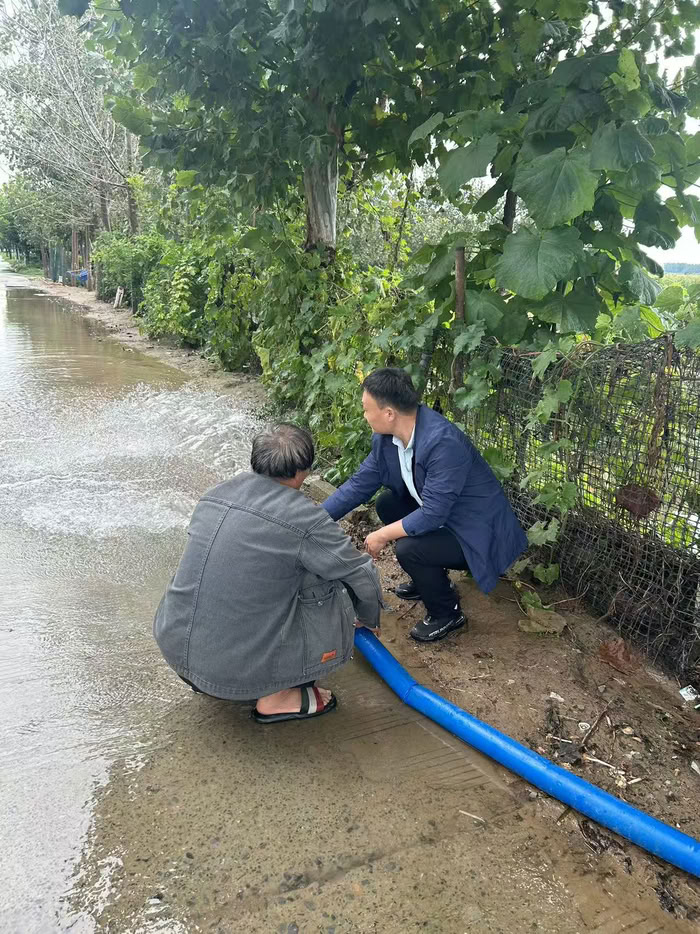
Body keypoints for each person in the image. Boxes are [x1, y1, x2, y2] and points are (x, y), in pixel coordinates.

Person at [153, 424, 382, 723]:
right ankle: (277, 696)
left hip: (174, 647)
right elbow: (358, 573)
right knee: (327, 582)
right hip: (229, 673)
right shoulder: (304, 518)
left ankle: (224, 672)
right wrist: (367, 616)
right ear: (304, 472)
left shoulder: (215, 494)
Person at [323, 368, 527, 643]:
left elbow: (432, 514)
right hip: (444, 517)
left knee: (409, 548)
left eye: (366, 409)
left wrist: (382, 535)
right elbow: (358, 485)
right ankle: (429, 580)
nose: (364, 415)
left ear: (389, 413)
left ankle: (447, 613)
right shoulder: (386, 440)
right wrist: (314, 520)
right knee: (388, 504)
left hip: (476, 531)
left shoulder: (442, 443)